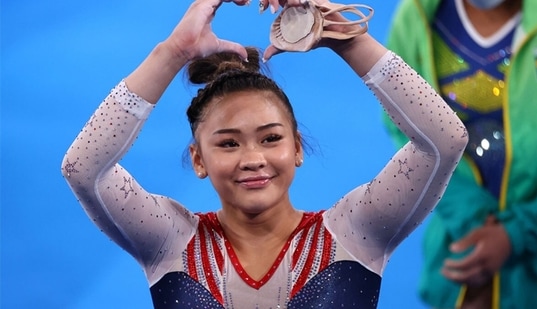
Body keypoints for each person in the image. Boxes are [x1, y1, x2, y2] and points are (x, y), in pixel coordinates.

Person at [61, 0, 468, 307]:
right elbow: (84, 169)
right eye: (228, 143)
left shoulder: (355, 233)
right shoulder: (170, 240)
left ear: (297, 149)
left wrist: (347, 39)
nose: (252, 157)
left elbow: (443, 141)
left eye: (271, 138)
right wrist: (173, 52)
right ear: (198, 159)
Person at [383, 0, 537, 308]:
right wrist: (473, 222)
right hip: (457, 247)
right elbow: (407, 132)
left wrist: (516, 234)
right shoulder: (417, 15)